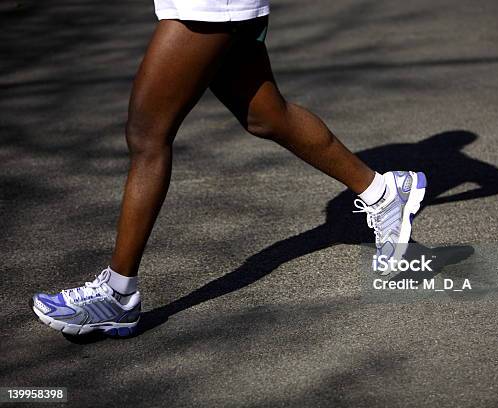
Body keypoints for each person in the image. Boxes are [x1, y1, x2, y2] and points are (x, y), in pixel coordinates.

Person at [30, 0, 427, 336]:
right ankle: (383, 192)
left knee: (147, 136)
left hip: (207, 6)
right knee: (267, 116)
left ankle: (117, 294)